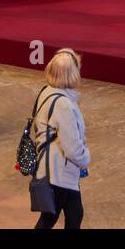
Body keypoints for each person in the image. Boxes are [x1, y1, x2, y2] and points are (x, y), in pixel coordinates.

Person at [30, 48, 90, 229]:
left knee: (74, 214)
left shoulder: (47, 91)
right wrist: (86, 158)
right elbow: (72, 147)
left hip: (53, 169)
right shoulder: (64, 104)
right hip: (58, 172)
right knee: (52, 218)